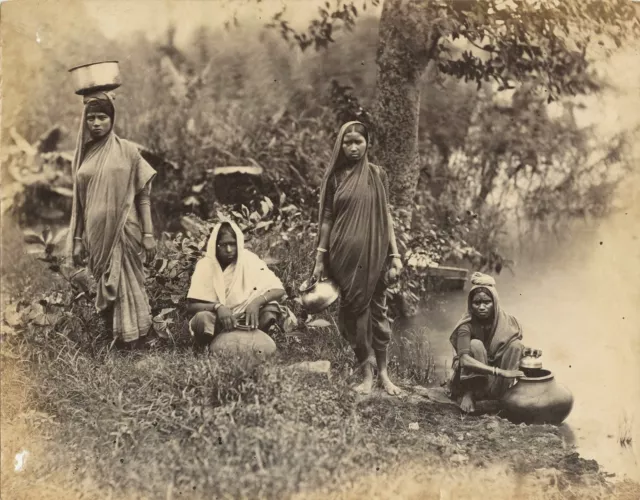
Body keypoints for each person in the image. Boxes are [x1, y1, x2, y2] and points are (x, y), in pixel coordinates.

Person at [311, 121, 403, 396]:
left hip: (376, 255)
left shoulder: (377, 174)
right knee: (356, 316)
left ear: (367, 143)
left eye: (358, 142)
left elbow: (386, 216)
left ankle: (384, 375)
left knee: (379, 314)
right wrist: (320, 258)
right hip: (343, 256)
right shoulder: (336, 178)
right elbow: (327, 219)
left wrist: (395, 255)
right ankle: (366, 373)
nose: (353, 147)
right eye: (347, 142)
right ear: (341, 144)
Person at [68, 91, 157, 347]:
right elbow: (80, 204)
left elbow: (143, 197)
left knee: (127, 280)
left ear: (112, 119)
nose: (95, 124)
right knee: (106, 281)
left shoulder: (128, 150)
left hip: (124, 229)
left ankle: (141, 337)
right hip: (95, 232)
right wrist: (77, 238)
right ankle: (116, 337)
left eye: (102, 118)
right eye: (91, 118)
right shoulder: (83, 155)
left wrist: (148, 235)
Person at [448, 272, 540, 413]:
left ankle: (501, 397)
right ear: (471, 305)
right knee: (475, 345)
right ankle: (469, 394)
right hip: (472, 382)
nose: (482, 307)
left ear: (495, 303)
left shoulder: (506, 322)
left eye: (486, 302)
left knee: (515, 346)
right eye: (477, 303)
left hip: (496, 383)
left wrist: (526, 351)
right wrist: (500, 372)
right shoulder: (466, 326)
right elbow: (465, 360)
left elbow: (507, 346)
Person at [186, 221, 286, 347]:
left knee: (270, 309)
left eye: (232, 244)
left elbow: (278, 289)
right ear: (216, 245)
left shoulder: (249, 259)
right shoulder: (205, 265)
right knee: (202, 318)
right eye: (224, 245)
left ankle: (259, 340)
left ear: (238, 243)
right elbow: (191, 307)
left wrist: (256, 302)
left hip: (249, 319)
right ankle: (209, 345)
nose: (229, 250)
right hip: (220, 321)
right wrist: (218, 307)